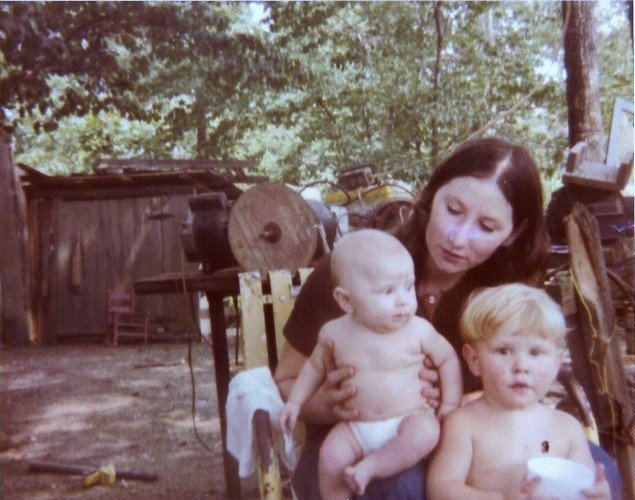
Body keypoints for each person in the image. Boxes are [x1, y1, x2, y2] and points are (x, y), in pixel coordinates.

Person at [274, 136, 619, 498]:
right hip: (353, 442)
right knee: (403, 486)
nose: (457, 236)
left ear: (512, 233)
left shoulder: (501, 297)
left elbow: (517, 388)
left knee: (599, 472)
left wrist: (457, 404)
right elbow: (287, 378)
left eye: (486, 227)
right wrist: (328, 403)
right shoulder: (355, 274)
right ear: (432, 194)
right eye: (453, 209)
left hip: (468, 442)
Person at [279, 230, 462, 498]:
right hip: (356, 428)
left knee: (426, 433)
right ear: (345, 300)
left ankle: (370, 468)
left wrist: (450, 404)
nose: (403, 300)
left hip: (407, 419)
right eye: (387, 291)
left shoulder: (419, 330)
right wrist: (295, 402)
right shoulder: (334, 333)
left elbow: (447, 360)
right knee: (330, 458)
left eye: (408, 287)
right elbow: (313, 369)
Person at [426, 284, 611, 499]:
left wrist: (597, 495)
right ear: (474, 359)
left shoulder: (568, 429)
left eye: (535, 352)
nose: (521, 365)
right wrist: (502, 498)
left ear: (556, 363)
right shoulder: (463, 424)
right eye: (503, 350)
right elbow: (439, 490)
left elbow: (583, 488)